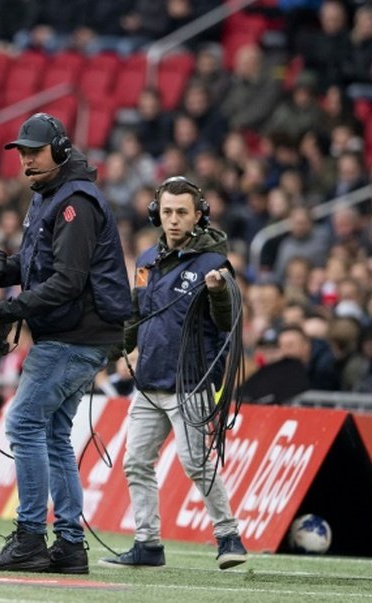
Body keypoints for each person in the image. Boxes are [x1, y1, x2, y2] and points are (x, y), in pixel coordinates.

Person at [0, 113, 131, 574]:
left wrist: (5, 309)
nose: (26, 161)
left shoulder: (75, 201)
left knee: (22, 424)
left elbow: (68, 281)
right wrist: (8, 270)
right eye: (21, 153)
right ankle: (71, 546)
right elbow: (48, 262)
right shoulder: (51, 195)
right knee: (55, 436)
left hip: (75, 335)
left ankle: (30, 537)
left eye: (33, 153)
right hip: (75, 334)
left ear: (59, 151)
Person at [99, 176, 248, 570]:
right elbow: (135, 315)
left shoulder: (215, 265)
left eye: (182, 212)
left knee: (195, 461)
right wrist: (105, 354)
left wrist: (217, 292)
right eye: (167, 212)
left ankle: (228, 535)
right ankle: (148, 544)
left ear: (199, 216)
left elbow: (227, 320)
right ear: (156, 214)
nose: (174, 220)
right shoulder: (147, 260)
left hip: (191, 380)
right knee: (136, 461)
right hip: (148, 381)